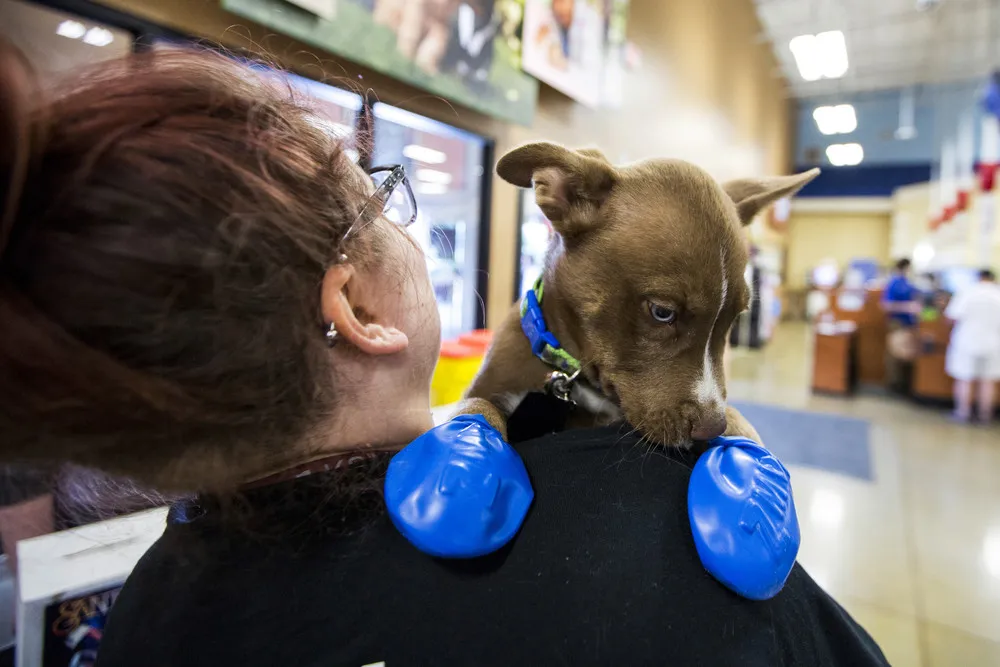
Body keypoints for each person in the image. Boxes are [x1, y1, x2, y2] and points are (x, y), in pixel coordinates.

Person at [0, 43, 887, 666]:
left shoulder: (144, 609)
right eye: (381, 199)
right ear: (356, 305)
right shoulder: (669, 556)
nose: (403, 223)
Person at [945, 269, 1000, 423]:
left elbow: (951, 317)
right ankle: (985, 416)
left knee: (964, 379)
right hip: (994, 343)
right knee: (988, 381)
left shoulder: (967, 292)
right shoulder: (998, 294)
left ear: (978, 278)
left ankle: (963, 412)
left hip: (967, 342)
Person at [882, 258, 921, 393]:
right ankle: (894, 384)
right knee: (895, 354)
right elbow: (886, 305)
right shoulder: (894, 283)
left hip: (908, 324)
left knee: (905, 353)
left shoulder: (907, 283)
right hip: (897, 323)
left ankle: (903, 382)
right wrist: (908, 307)